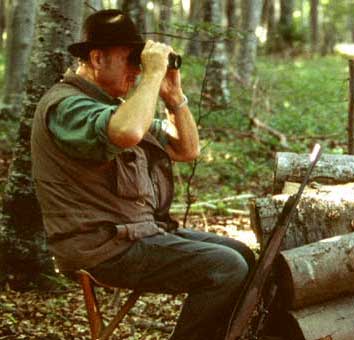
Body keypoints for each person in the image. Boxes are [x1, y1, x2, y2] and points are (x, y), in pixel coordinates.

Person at [30, 9, 255, 340]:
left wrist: (174, 97)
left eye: (140, 62)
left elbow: (186, 149)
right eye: (130, 60)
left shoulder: (117, 108)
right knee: (226, 266)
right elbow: (126, 133)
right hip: (100, 247)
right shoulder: (66, 105)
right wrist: (150, 77)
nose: (137, 70)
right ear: (97, 57)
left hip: (135, 234)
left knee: (242, 254)